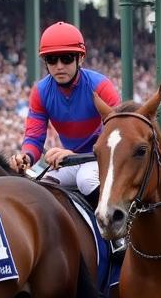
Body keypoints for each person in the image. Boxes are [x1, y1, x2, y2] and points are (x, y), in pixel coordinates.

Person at [9, 21, 119, 203]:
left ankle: (116, 231)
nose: (59, 66)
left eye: (67, 58)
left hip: (102, 158)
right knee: (42, 188)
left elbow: (116, 141)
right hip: (70, 161)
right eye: (52, 59)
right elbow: (34, 139)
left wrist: (76, 156)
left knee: (86, 180)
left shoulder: (101, 86)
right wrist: (26, 157)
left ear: (80, 58)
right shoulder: (40, 91)